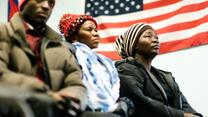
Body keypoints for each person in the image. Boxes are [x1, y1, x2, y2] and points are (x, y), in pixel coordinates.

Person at [0, 0, 87, 116]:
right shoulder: (4, 32)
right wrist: (45, 92)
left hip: (60, 106)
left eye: (51, 3)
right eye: (39, 0)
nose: (46, 6)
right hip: (19, 103)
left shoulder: (60, 44)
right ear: (23, 4)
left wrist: (71, 97)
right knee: (43, 104)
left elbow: (75, 81)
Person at [115, 23, 203, 117]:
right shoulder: (125, 70)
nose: (155, 40)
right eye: (148, 36)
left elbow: (185, 106)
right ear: (134, 44)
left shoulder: (166, 78)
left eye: (156, 37)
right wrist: (181, 116)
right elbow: (140, 103)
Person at [58, 13, 134, 117]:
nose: (96, 34)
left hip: (111, 109)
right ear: (74, 35)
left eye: (96, 30)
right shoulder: (68, 53)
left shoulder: (105, 61)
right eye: (89, 30)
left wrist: (122, 104)